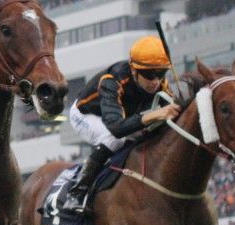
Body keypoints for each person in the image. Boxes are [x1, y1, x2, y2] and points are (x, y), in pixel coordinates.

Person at [62, 35, 181, 213]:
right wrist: (154, 115)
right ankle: (76, 194)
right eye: (149, 75)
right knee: (113, 139)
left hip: (121, 116)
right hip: (86, 115)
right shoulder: (113, 80)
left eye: (161, 73)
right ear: (134, 71)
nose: (156, 81)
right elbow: (117, 128)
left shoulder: (160, 84)